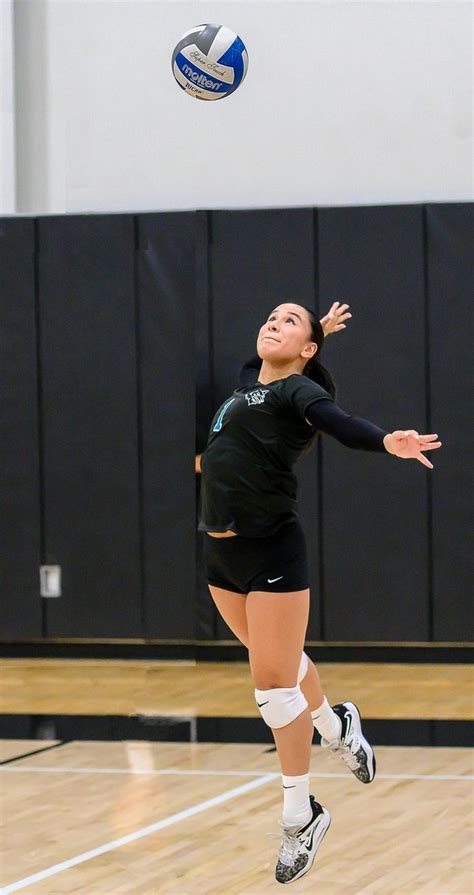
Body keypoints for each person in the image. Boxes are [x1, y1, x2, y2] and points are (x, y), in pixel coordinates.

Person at [197, 302, 441, 885]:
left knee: (274, 690)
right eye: (270, 316)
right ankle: (336, 726)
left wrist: (389, 442)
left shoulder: (297, 394)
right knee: (282, 662)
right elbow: (261, 363)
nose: (271, 323)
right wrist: (316, 334)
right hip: (220, 555)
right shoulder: (244, 386)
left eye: (287, 321)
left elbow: (340, 422)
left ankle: (300, 812)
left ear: (306, 353)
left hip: (271, 551)